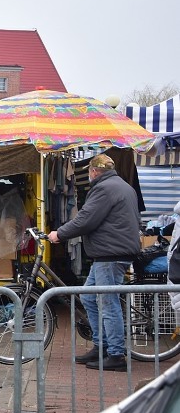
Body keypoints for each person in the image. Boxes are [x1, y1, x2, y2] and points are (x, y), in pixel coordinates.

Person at [48, 153, 140, 371]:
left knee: (108, 303)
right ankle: (101, 346)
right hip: (112, 252)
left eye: (89, 171)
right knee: (88, 297)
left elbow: (86, 219)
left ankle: (116, 355)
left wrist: (59, 234)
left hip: (111, 254)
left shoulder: (104, 188)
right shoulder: (123, 186)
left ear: (94, 171)